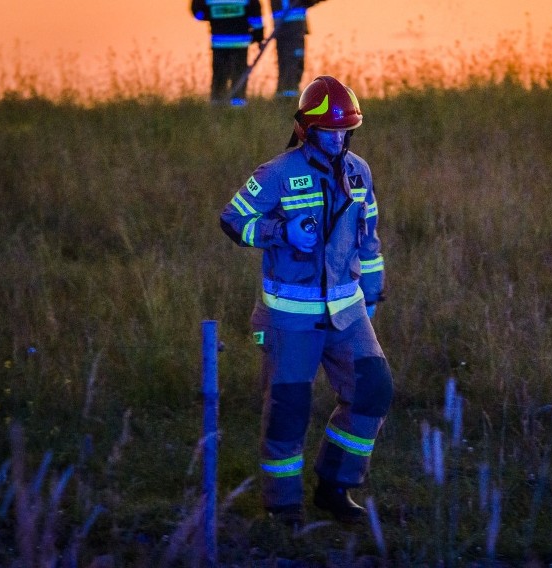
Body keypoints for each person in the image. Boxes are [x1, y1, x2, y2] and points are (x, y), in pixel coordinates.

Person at [220, 76, 393, 526]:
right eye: (328, 130)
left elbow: (368, 238)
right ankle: (283, 508)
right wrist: (280, 232)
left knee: (373, 389)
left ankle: (335, 488)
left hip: (347, 311)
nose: (337, 139)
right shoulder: (277, 172)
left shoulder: (360, 171)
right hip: (289, 317)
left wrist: (371, 295)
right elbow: (234, 219)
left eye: (344, 131)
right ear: (305, 129)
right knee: (289, 409)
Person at [191, 0, 264, 105]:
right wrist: (258, 37)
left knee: (219, 76)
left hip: (219, 41)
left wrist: (211, 16)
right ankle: (238, 105)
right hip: (240, 41)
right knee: (239, 74)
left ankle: (217, 104)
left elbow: (197, 12)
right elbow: (255, 14)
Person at [270, 0, 324, 98]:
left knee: (285, 67)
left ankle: (281, 98)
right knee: (294, 67)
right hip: (293, 31)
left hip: (283, 31)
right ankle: (289, 99)